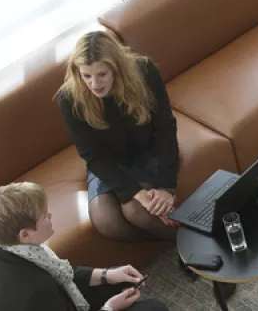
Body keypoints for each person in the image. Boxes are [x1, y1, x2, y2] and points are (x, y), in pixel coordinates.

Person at [57, 31, 181, 242]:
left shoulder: (144, 71)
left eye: (102, 74)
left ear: (117, 67)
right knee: (106, 221)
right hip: (108, 161)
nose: (94, 84)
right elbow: (92, 156)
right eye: (86, 76)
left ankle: (194, 247)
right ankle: (162, 247)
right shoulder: (69, 98)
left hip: (149, 150)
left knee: (135, 212)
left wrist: (166, 186)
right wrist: (135, 192)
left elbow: (165, 127)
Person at [0, 182, 165, 311]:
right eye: (45, 216)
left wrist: (105, 275)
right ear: (25, 234)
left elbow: (58, 271)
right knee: (154, 309)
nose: (51, 217)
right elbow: (46, 287)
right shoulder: (35, 293)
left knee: (119, 280)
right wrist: (109, 308)